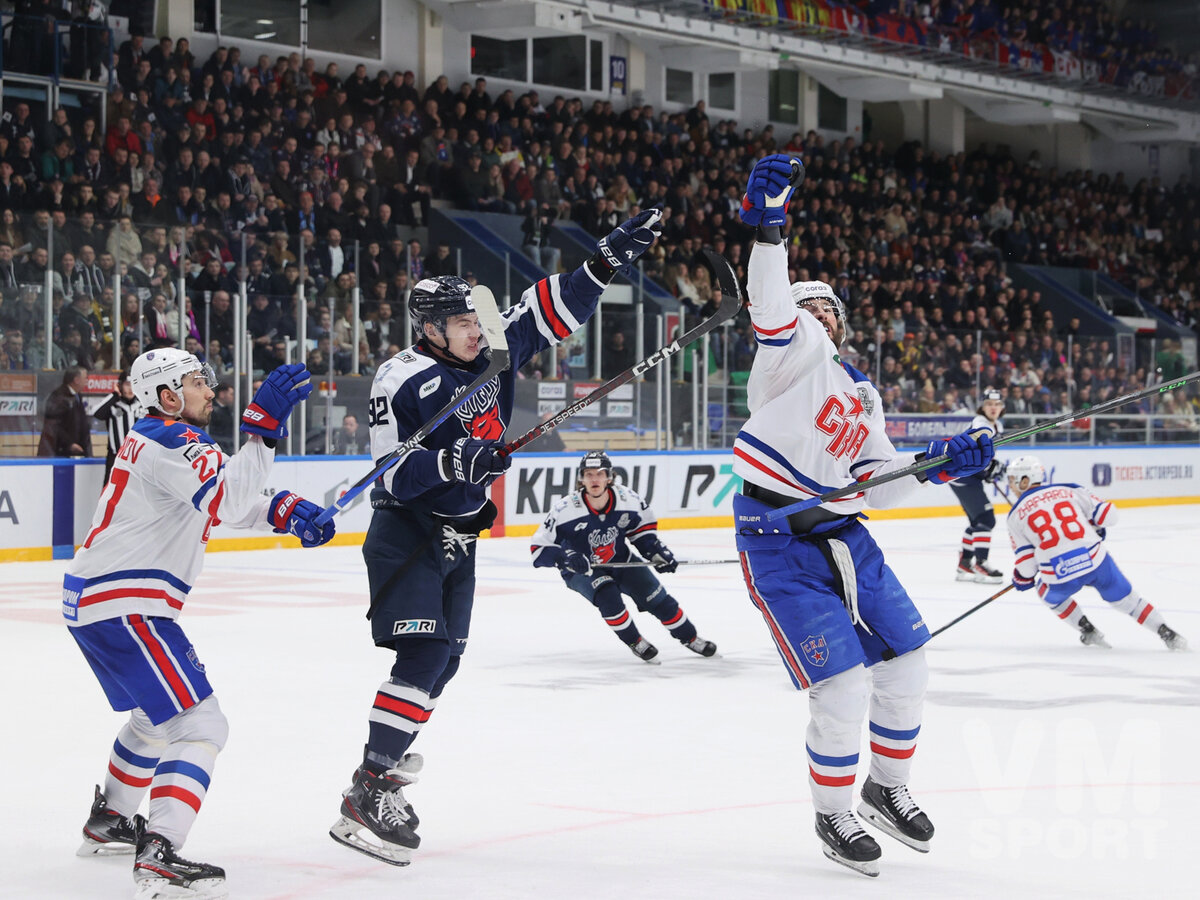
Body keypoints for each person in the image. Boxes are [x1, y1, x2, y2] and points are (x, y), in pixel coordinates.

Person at [331, 209, 664, 867]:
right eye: (462, 324)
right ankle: (368, 785)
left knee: (446, 660)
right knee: (424, 658)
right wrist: (458, 462)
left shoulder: (494, 348)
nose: (478, 332)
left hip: (460, 534)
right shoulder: (402, 379)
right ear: (430, 331)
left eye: (478, 321)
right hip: (409, 532)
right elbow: (393, 473)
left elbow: (552, 312)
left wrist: (602, 262)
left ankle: (383, 771)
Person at [732, 155, 994, 876]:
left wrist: (940, 463)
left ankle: (889, 787)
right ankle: (833, 813)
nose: (817, 317)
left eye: (829, 311)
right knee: (843, 686)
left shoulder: (861, 392)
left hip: (846, 538)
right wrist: (768, 230)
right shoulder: (788, 356)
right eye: (806, 307)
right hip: (780, 544)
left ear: (842, 327)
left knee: (909, 661)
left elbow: (880, 486)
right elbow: (770, 301)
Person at [64, 348, 335, 899]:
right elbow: (229, 499)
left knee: (153, 720)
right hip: (127, 604)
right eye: (196, 382)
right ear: (167, 395)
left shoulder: (164, 439)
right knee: (203, 726)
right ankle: (161, 851)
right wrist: (263, 432)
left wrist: (283, 510)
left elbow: (217, 498)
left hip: (96, 599)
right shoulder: (174, 440)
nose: (210, 390)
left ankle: (110, 821)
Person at [530, 450, 718, 662]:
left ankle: (691, 638)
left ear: (609, 477)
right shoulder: (565, 509)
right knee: (608, 596)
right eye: (589, 474)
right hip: (584, 570)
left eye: (599, 474)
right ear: (581, 478)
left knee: (659, 600)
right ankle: (635, 641)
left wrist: (655, 551)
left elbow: (642, 532)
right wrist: (566, 558)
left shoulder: (627, 499)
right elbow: (539, 549)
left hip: (622, 561)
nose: (594, 479)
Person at [1006, 455, 1187, 651]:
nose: (1010, 486)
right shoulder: (1069, 489)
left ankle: (1088, 630)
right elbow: (1109, 515)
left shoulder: (1015, 516)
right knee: (1129, 601)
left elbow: (1026, 568)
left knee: (1045, 592)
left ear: (1025, 480)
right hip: (1096, 562)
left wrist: (1021, 579)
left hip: (1060, 573)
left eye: (1012, 480)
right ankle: (1167, 633)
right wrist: (1094, 524)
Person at [950, 388, 1007, 583]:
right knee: (986, 519)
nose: (993, 408)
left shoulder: (996, 424)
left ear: (1002, 407)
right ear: (982, 407)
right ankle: (981, 563)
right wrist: (988, 468)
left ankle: (965, 563)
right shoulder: (980, 424)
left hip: (969, 475)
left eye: (997, 404)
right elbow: (976, 451)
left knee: (977, 523)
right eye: (989, 404)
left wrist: (988, 469)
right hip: (963, 475)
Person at [93, 369, 143, 484]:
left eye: (133, 384)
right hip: (116, 456)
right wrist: (115, 395)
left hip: (140, 457)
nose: (130, 388)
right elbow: (96, 413)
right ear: (119, 385)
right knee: (111, 490)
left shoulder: (143, 405)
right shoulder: (113, 404)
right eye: (127, 384)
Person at [38, 366, 93, 457]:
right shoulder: (59, 397)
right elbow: (53, 426)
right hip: (60, 451)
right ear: (76, 380)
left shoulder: (77, 396)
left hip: (77, 450)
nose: (86, 382)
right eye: (85, 378)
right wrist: (69, 444)